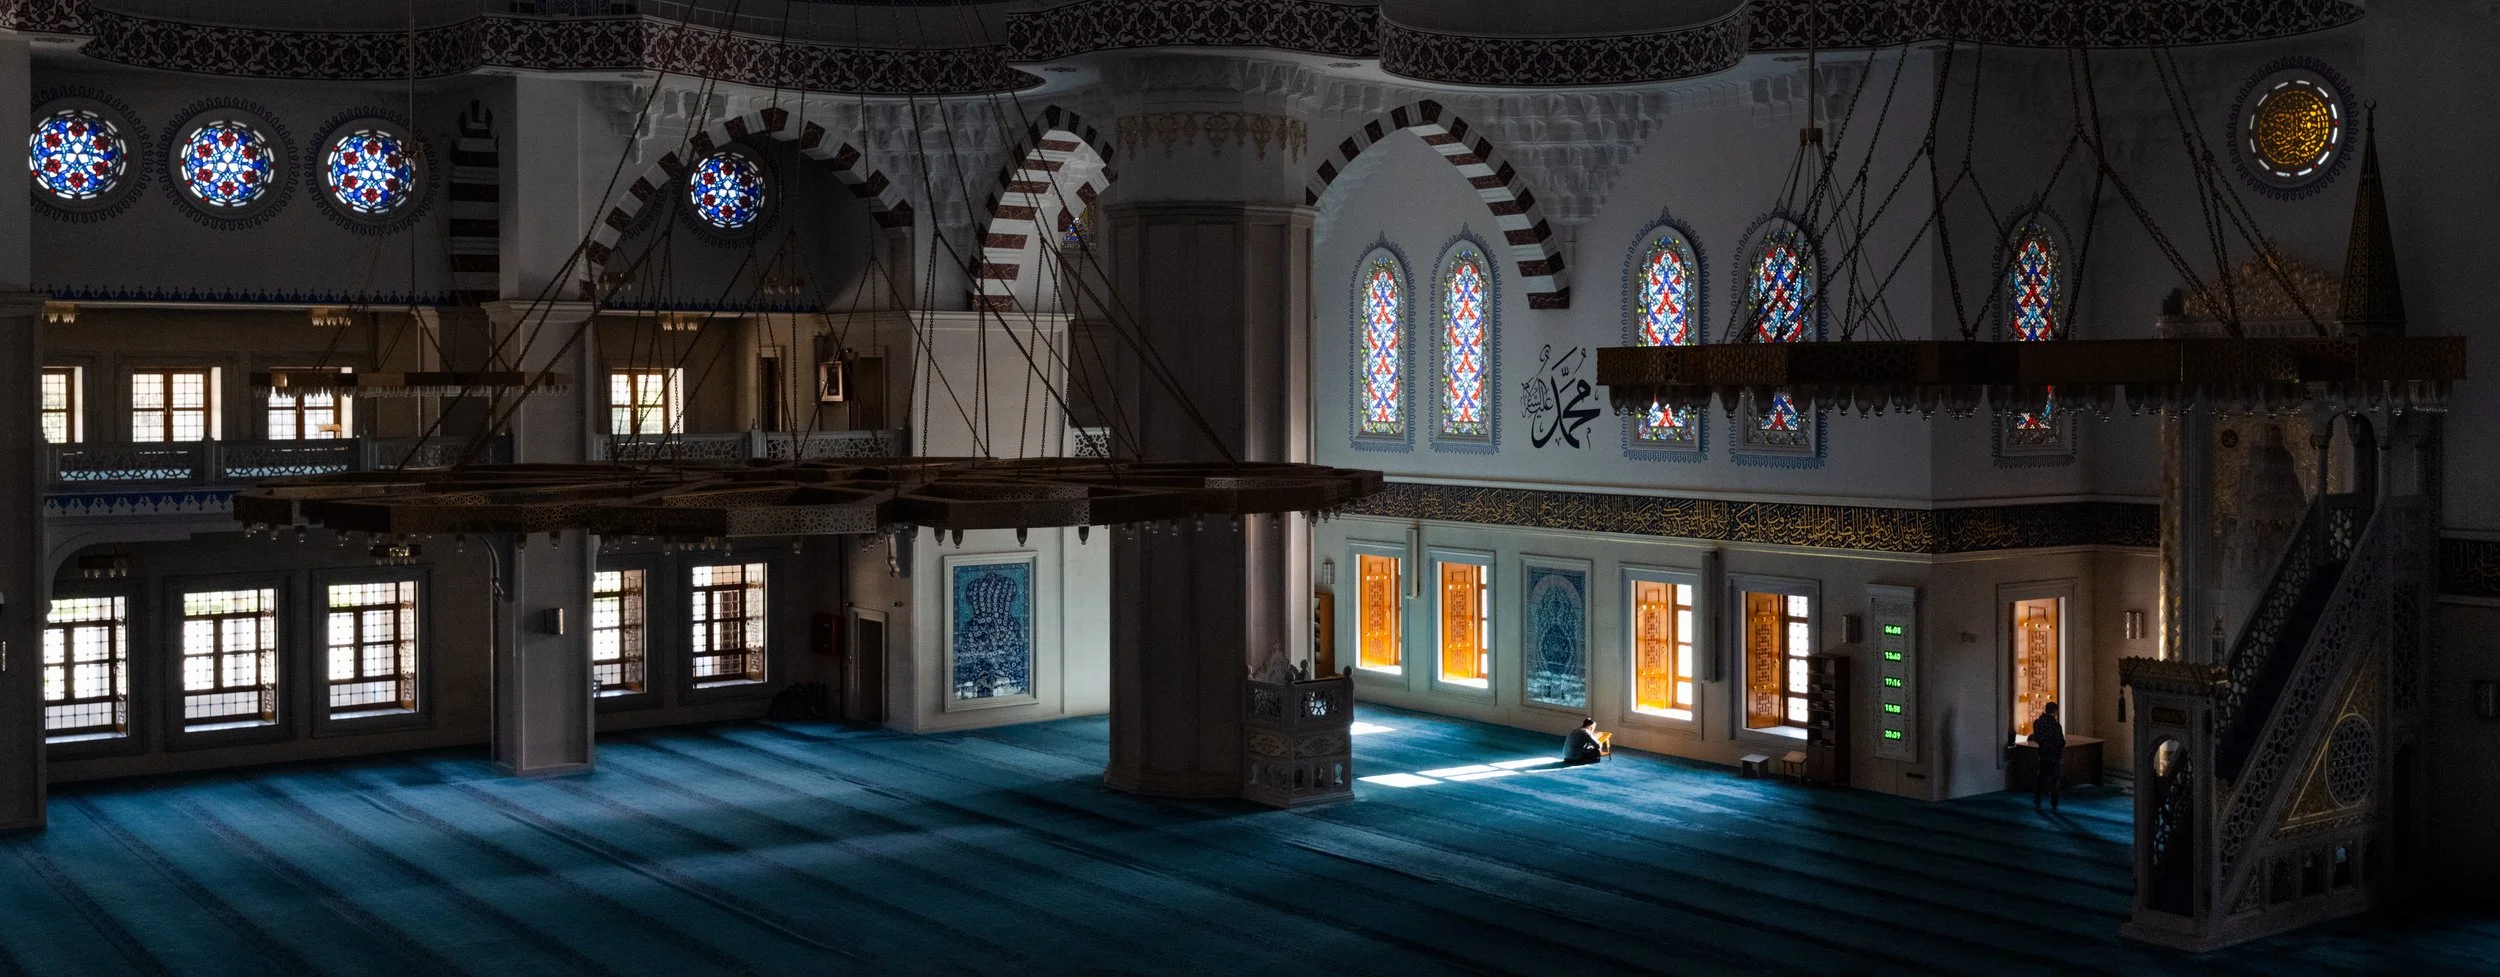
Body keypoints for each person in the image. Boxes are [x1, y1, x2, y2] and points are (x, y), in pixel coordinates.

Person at [2030, 702, 2067, 811]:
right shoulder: (2055, 725)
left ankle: (2037, 800)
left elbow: (2036, 738)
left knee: (2040, 778)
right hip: (2054, 755)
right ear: (2055, 711)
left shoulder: (2038, 723)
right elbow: (2061, 741)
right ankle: (2054, 803)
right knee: (2054, 780)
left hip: (2043, 754)